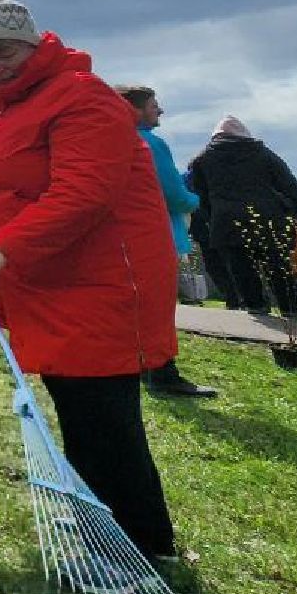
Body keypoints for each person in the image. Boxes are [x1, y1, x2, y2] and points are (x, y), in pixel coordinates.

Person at [0, 0, 181, 571]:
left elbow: (81, 195)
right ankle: (99, 514)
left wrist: (1, 249)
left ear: (33, 45)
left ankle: (141, 545)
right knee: (73, 404)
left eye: (4, 51)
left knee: (103, 415)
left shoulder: (83, 99)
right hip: (44, 277)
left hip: (101, 277)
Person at [116, 86, 219, 399]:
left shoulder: (109, 140)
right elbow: (171, 194)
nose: (159, 112)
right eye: (153, 106)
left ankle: (140, 367)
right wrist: (196, 200)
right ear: (136, 110)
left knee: (136, 308)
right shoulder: (149, 143)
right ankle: (161, 373)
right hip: (157, 234)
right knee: (158, 309)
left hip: (123, 238)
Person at [186, 115, 297, 316]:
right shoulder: (261, 153)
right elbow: (289, 185)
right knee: (277, 265)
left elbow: (201, 195)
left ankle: (256, 306)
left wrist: (212, 218)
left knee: (241, 268)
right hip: (267, 217)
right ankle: (290, 308)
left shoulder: (202, 160)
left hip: (226, 221)